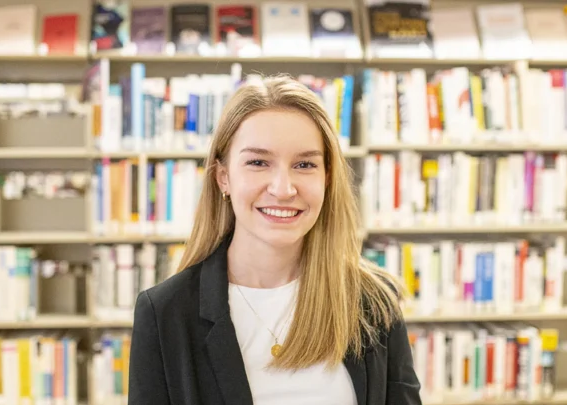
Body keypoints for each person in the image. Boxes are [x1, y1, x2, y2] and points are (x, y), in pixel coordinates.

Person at [128, 75, 421, 405]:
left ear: (327, 178)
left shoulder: (373, 303)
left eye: (304, 164)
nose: (283, 188)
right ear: (223, 177)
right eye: (258, 162)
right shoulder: (166, 313)